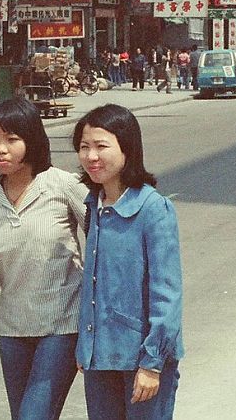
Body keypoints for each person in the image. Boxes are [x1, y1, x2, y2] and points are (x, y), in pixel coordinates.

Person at [0, 98, 88, 420]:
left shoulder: (62, 185)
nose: (1, 149)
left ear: (32, 141)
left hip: (63, 324)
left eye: (12, 139)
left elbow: (106, 241)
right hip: (13, 330)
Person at [72, 104, 184, 419]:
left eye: (101, 146)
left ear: (127, 150)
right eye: (84, 147)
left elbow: (167, 293)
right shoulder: (94, 204)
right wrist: (86, 346)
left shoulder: (152, 208)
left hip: (141, 360)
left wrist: (152, 363)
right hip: (100, 358)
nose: (91, 156)